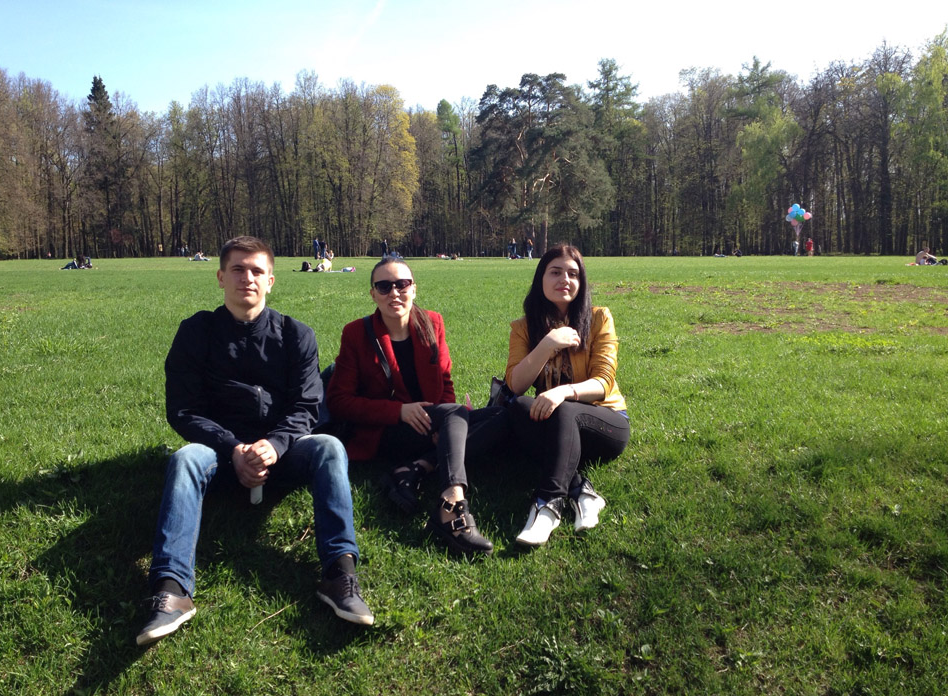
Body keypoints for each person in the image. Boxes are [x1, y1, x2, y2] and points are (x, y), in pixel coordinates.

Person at [137, 235, 372, 646]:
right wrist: (232, 447)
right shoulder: (196, 332)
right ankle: (172, 590)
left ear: (270, 281)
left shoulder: (296, 335)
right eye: (238, 269)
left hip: (284, 453)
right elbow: (183, 410)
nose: (247, 278)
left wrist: (275, 445)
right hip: (218, 454)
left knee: (330, 447)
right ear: (220, 277)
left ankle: (340, 575)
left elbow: (307, 405)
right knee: (185, 459)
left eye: (257, 271)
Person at [326, 256, 504, 556]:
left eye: (402, 284)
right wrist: (399, 411)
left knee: (502, 414)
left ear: (414, 289)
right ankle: (452, 505)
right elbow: (338, 401)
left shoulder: (432, 323)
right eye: (384, 287)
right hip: (386, 431)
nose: (394, 293)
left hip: (430, 423)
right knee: (459, 414)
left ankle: (416, 468)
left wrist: (441, 426)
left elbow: (445, 382)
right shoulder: (356, 333)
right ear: (373, 294)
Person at [505, 244, 630, 547]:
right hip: (559, 428)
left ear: (581, 282)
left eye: (573, 274)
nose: (565, 279)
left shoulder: (599, 318)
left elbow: (603, 382)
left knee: (564, 408)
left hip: (605, 423)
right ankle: (582, 491)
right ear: (541, 279)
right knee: (517, 406)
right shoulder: (523, 328)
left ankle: (547, 504)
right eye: (555, 272)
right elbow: (516, 384)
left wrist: (564, 391)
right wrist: (547, 344)